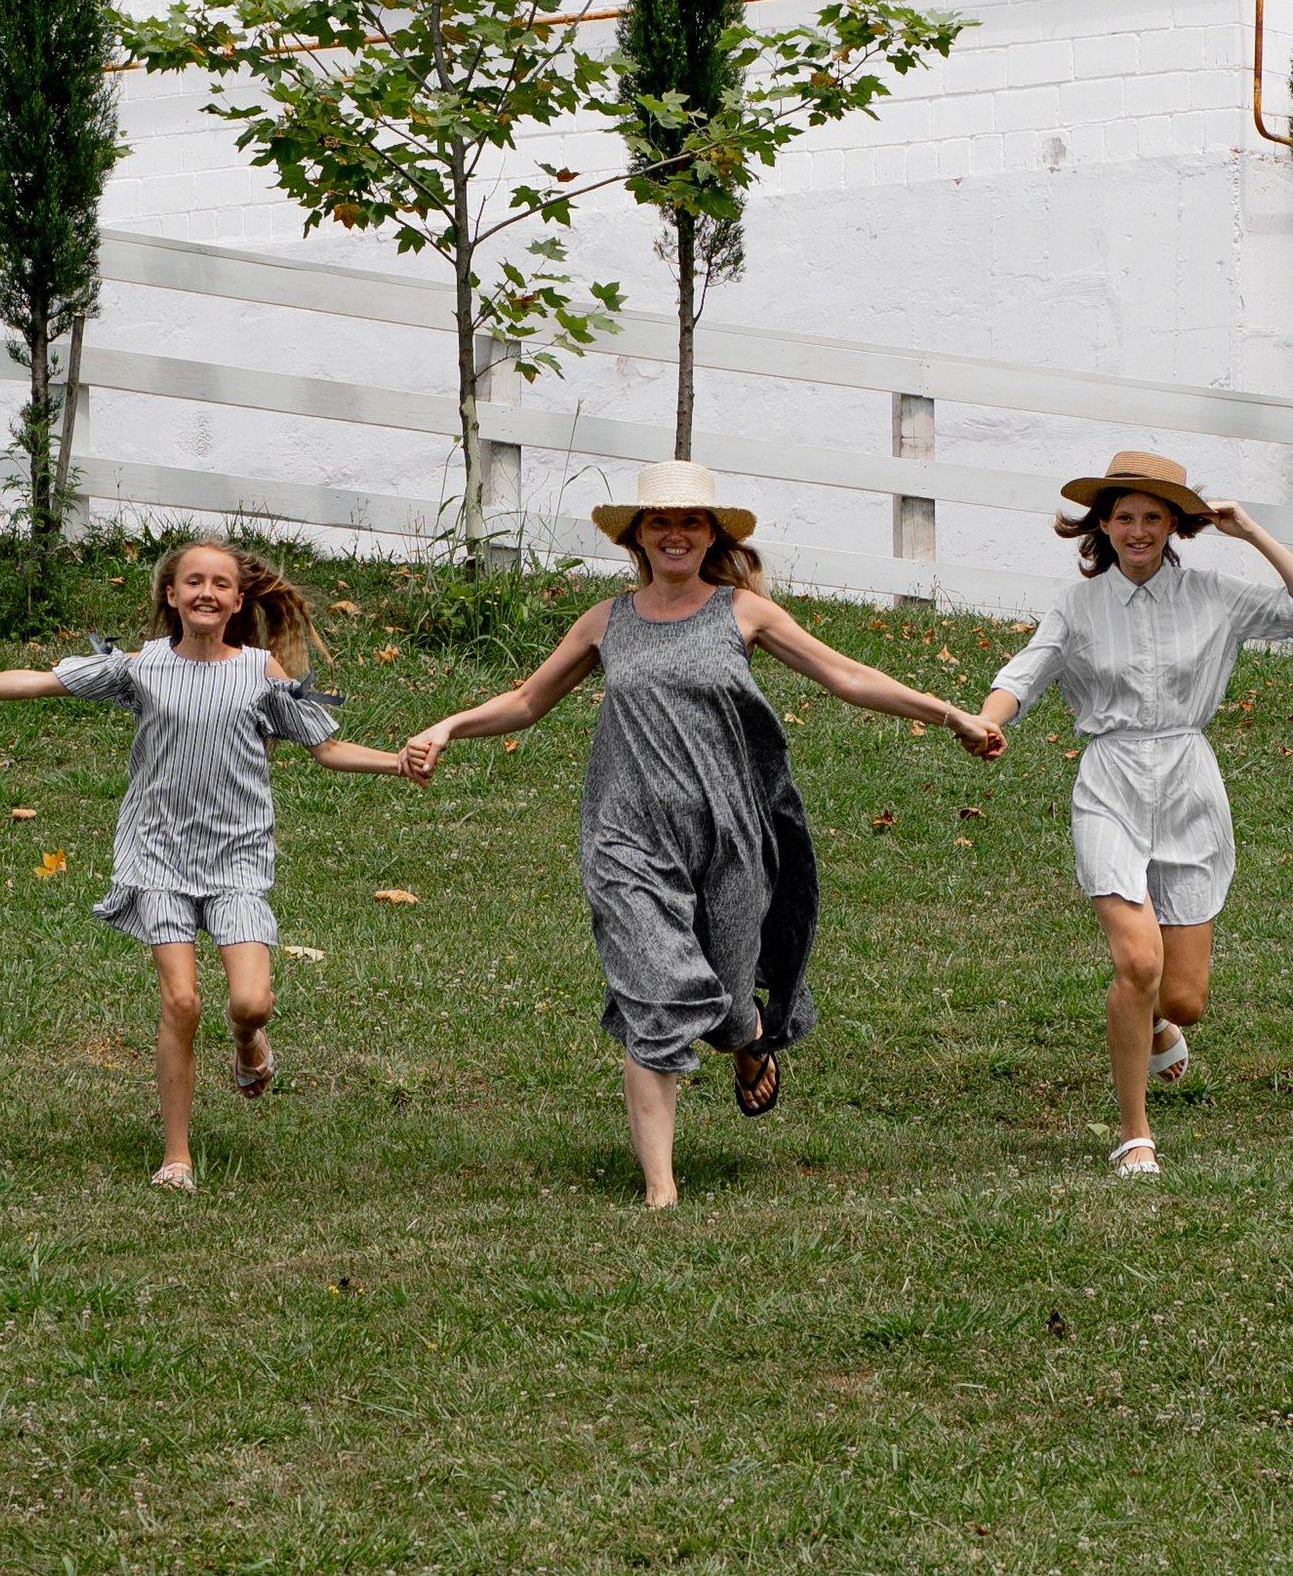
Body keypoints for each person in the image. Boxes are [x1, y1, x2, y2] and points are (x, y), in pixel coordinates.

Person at [401, 462, 1005, 1209]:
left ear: (712, 534)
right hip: (626, 838)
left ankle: (747, 1039)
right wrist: (449, 725)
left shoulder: (742, 613)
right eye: (660, 521)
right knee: (656, 994)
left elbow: (844, 675)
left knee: (724, 998)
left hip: (729, 834)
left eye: (690, 521)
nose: (675, 533)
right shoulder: (605, 621)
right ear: (638, 537)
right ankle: (661, 1190)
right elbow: (528, 700)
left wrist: (949, 714)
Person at [0, 536, 406, 1192]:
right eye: (193, 581)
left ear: (237, 601)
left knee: (251, 1002)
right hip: (157, 855)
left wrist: (398, 762)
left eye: (220, 584)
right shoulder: (142, 666)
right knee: (181, 1001)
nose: (206, 592)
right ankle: (176, 1157)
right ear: (171, 594)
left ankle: (248, 1043)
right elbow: (41, 681)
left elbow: (326, 749)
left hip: (236, 859)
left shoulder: (260, 671)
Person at [976, 448, 1293, 1181]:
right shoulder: (1078, 606)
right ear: (1102, 526)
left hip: (1189, 785)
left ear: (1173, 525)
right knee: (1137, 962)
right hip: (1109, 782)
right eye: (1123, 517)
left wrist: (1249, 531)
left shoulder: (1214, 595)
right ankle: (1134, 1133)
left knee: (1183, 998)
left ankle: (1159, 1020)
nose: (1136, 530)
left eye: (1151, 517)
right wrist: (989, 720)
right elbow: (1025, 672)